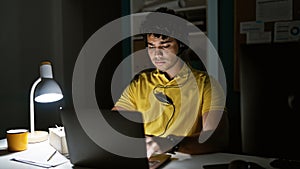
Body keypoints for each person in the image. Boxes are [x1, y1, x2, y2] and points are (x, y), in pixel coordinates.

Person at [112, 7, 228, 157]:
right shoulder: (139, 83)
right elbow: (114, 124)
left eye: (165, 46)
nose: (157, 54)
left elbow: (216, 139)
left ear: (182, 45)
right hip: (146, 159)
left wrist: (170, 143)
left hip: (184, 161)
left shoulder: (206, 84)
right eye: (151, 46)